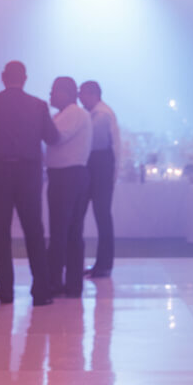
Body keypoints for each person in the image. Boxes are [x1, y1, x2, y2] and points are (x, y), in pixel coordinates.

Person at [0, 60, 59, 306]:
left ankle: (6, 291)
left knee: (1, 232)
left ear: (2, 77)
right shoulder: (38, 105)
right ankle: (41, 290)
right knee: (34, 231)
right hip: (29, 172)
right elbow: (52, 137)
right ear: (26, 78)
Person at [46, 76, 92, 298]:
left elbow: (55, 137)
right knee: (70, 231)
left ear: (65, 93)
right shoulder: (68, 114)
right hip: (72, 176)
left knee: (62, 232)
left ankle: (56, 282)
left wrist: (38, 120)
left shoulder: (72, 113)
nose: (50, 95)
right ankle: (72, 284)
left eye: (54, 91)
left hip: (67, 177)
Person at [78, 80, 121, 278]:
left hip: (99, 166)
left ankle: (103, 265)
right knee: (101, 216)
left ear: (92, 94)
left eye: (82, 94)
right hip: (100, 166)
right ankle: (102, 264)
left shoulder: (101, 115)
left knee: (102, 216)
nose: (79, 98)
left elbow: (93, 142)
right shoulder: (98, 113)